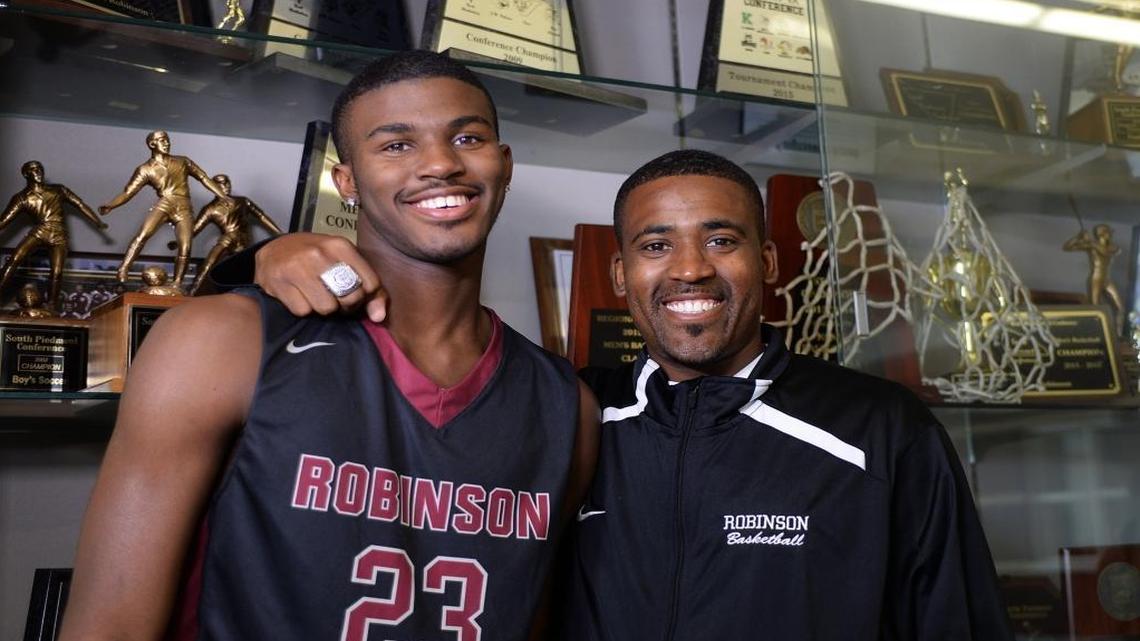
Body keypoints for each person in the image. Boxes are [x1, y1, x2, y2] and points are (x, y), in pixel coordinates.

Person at [227, 149, 1015, 639]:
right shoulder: (564, 411)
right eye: (655, 245)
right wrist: (274, 256)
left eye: (722, 239)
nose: (690, 269)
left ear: (770, 264)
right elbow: (420, 376)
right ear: (619, 277)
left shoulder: (878, 428)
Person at [60, 51, 597, 641]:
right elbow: (109, 626)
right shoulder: (220, 341)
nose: (441, 163)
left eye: (467, 137)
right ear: (347, 182)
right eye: (396, 145)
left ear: (504, 163)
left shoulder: (568, 404)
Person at [99, 130, 230, 286]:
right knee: (143, 234)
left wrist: (222, 195)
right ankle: (123, 268)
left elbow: (204, 178)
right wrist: (111, 205)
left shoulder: (183, 161)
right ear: (152, 144)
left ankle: (177, 282)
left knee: (186, 246)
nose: (167, 143)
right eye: (162, 140)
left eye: (167, 140)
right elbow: (128, 192)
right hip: (165, 203)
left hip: (183, 205)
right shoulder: (145, 169)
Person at [0, 160, 108, 309]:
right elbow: (4, 221)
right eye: (34, 169)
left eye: (40, 168)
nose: (38, 171)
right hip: (40, 231)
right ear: (26, 174)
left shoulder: (58, 190)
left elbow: (80, 204)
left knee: (57, 272)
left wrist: (97, 222)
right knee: (14, 259)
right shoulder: (22, 198)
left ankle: (51, 306)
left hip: (59, 233)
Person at [189, 174, 282, 295]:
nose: (227, 186)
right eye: (222, 184)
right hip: (227, 239)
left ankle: (259, 296)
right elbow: (195, 229)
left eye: (227, 182)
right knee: (209, 263)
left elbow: (262, 217)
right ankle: (192, 292)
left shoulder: (243, 202)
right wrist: (179, 242)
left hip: (243, 240)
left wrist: (280, 234)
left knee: (250, 269)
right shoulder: (210, 209)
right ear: (213, 187)